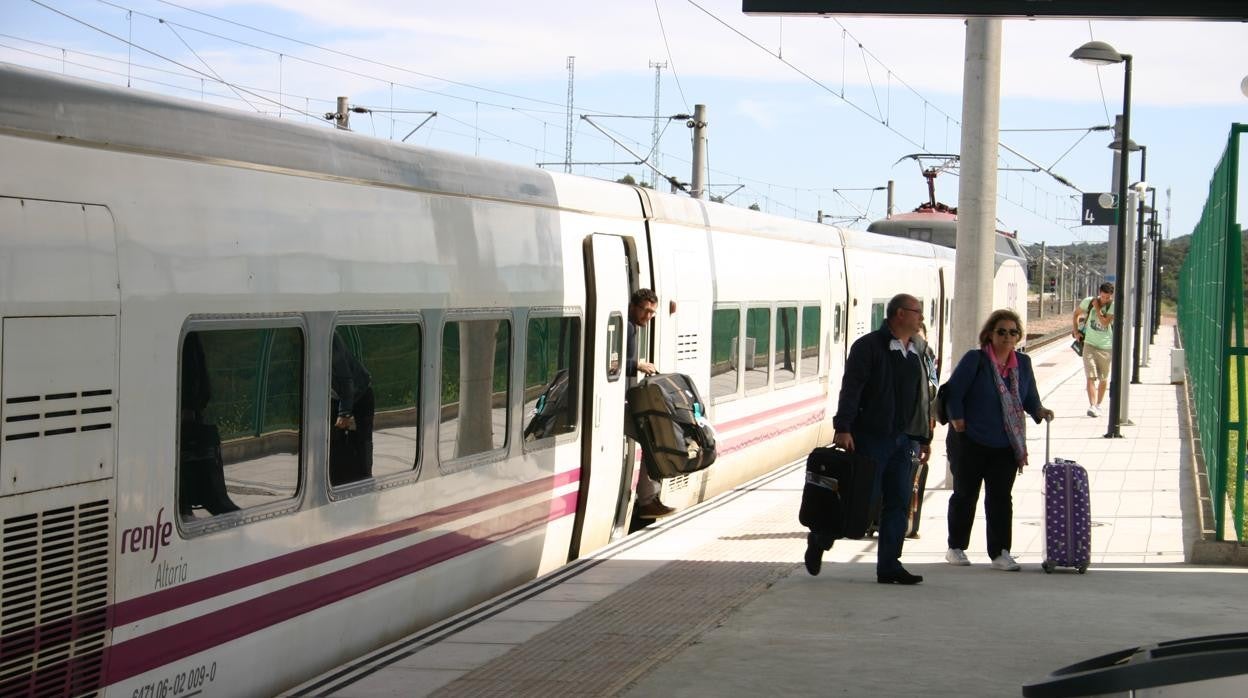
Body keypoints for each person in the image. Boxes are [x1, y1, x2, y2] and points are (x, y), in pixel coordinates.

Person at [813, 294, 933, 584]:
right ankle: (820, 538)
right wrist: (843, 427)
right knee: (859, 503)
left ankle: (889, 565)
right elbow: (851, 388)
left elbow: (924, 397)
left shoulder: (917, 350)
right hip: (870, 438)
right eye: (917, 312)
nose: (922, 318)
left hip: (903, 440)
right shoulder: (868, 347)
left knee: (899, 501)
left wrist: (923, 436)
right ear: (901, 314)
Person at [943, 309, 1053, 571]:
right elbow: (954, 392)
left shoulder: (1022, 364)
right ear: (990, 334)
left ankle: (1000, 552)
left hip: (1005, 445)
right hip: (969, 440)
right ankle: (956, 547)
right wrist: (957, 418)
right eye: (1001, 331)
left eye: (1012, 332)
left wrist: (1039, 411)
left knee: (1001, 498)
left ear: (1019, 336)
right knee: (965, 495)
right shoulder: (975, 360)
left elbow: (1029, 397)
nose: (1007, 336)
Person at [626, 288, 675, 519]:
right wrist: (637, 364)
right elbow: (607, 360)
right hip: (618, 404)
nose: (648, 316)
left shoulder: (632, 327)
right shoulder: (626, 327)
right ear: (633, 307)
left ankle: (650, 499)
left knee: (652, 438)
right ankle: (647, 501)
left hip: (624, 399)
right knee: (653, 440)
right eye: (645, 311)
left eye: (652, 313)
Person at [330, 332, 376, 485]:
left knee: (362, 439)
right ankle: (339, 475)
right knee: (336, 439)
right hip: (338, 397)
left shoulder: (330, 338)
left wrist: (344, 414)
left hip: (360, 394)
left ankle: (364, 477)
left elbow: (346, 381)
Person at [1072, 282, 1115, 417]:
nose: (1105, 299)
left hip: (1106, 347)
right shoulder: (1089, 302)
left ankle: (1098, 405)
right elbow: (1076, 314)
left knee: (1103, 378)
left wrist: (1097, 309)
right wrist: (1076, 331)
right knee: (1091, 377)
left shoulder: (1112, 306)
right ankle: (1092, 405)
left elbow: (1104, 322)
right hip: (1089, 344)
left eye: (1107, 297)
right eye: (1103, 296)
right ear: (1099, 293)